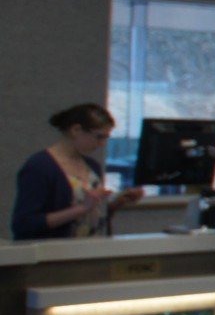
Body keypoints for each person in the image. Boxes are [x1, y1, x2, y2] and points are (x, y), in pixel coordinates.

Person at [12, 103, 144, 241]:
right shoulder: (40, 167)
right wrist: (81, 208)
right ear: (76, 130)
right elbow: (24, 224)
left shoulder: (92, 166)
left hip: (91, 248)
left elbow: (90, 217)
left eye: (106, 138)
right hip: (57, 250)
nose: (102, 144)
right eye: (99, 137)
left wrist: (116, 204)